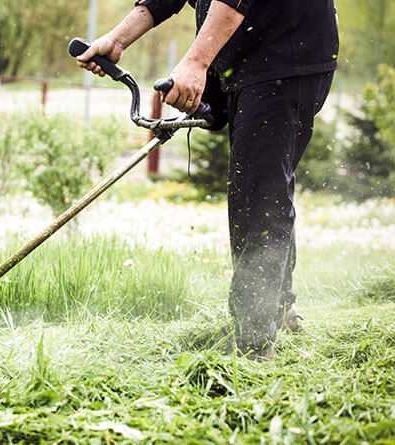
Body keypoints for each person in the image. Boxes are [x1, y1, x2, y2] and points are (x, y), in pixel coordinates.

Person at [77, 0, 339, 360]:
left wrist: (197, 62)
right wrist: (119, 39)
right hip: (246, 55)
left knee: (258, 195)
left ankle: (254, 343)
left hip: (287, 51)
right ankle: (277, 309)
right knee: (265, 185)